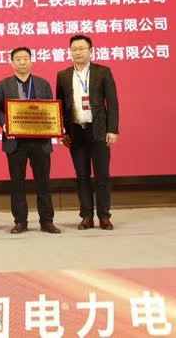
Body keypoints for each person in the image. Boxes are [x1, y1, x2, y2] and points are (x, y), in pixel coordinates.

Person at [0, 47, 60, 234]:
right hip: (15, 142)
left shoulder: (43, 84)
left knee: (43, 182)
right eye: (18, 59)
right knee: (17, 183)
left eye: (25, 58)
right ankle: (20, 221)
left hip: (40, 141)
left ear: (31, 61)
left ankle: (47, 221)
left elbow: (51, 109)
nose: (22, 62)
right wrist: (5, 124)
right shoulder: (3, 85)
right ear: (11, 63)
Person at [56, 35, 120, 230]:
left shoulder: (103, 72)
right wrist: (63, 131)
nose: (78, 52)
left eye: (82, 48)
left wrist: (112, 129)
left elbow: (113, 102)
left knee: (102, 176)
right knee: (82, 176)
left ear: (90, 51)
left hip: (98, 130)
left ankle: (104, 216)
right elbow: (60, 106)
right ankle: (86, 216)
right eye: (74, 49)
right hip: (76, 132)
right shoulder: (63, 75)